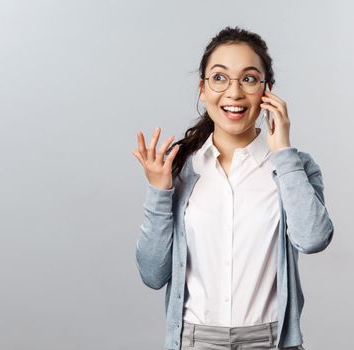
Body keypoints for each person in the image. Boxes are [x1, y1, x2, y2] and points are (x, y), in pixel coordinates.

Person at [133, 26, 334, 350]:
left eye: (249, 78)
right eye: (220, 77)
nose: (234, 92)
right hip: (195, 341)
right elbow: (153, 275)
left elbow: (312, 239)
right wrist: (159, 191)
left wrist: (283, 151)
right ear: (202, 88)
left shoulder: (293, 167)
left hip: (270, 341)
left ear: (267, 90)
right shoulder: (180, 169)